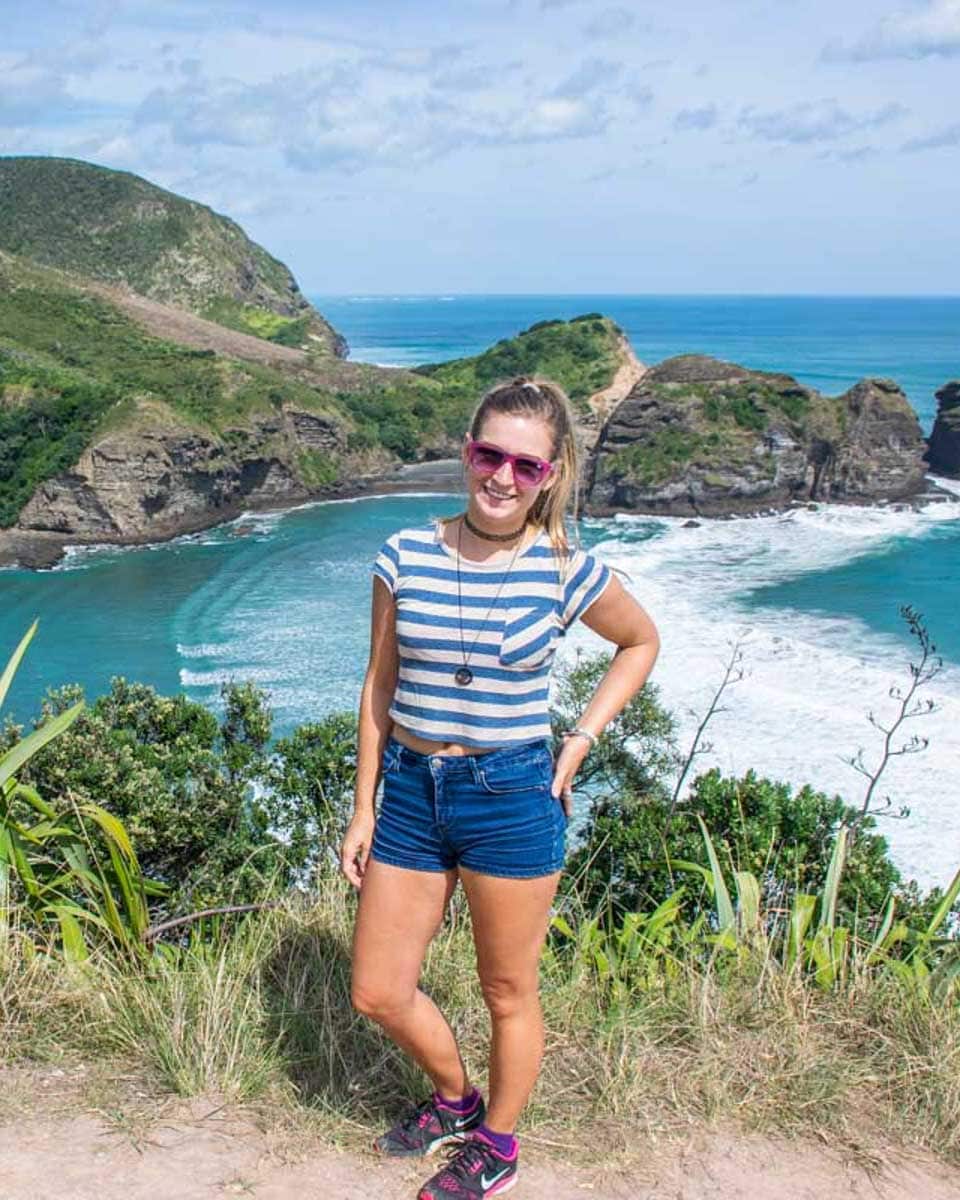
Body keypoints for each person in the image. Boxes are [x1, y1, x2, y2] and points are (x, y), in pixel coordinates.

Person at [340, 375, 660, 1200]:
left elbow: (640, 642)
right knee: (378, 989)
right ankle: (456, 1099)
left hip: (510, 794)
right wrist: (362, 804)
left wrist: (581, 739)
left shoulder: (566, 567)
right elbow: (378, 686)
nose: (503, 479)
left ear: (549, 475)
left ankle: (499, 1147)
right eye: (491, 456)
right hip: (411, 790)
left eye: (526, 466)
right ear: (466, 452)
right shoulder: (403, 554)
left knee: (508, 991)